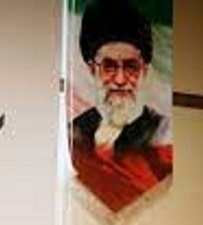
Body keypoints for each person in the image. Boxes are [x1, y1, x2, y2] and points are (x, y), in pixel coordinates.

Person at [71, 0, 173, 213]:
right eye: (108, 66)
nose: (119, 79)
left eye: (130, 67)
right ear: (92, 70)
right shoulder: (72, 136)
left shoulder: (164, 137)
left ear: (144, 70)